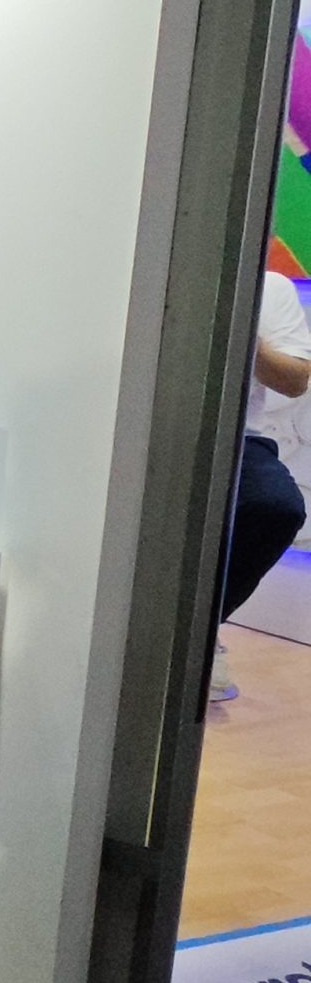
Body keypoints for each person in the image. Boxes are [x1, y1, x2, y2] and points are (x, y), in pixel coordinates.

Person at [214, 268, 311, 700]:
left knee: (277, 507)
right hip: (143, 425)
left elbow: (294, 381)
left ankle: (200, 630)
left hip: (239, 435)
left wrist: (242, 329)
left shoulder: (271, 287)